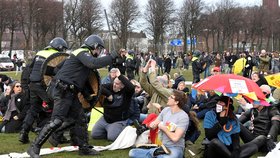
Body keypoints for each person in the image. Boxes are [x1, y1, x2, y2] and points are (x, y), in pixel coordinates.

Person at [27, 34, 119, 157]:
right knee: (56, 120)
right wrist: (111, 57)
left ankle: (84, 148)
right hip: (63, 90)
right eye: (99, 49)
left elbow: (57, 68)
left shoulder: (76, 56)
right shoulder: (81, 52)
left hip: (70, 91)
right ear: (94, 46)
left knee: (80, 119)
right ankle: (35, 147)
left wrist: (85, 92)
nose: (99, 52)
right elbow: (94, 63)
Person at [19, 37, 68, 144]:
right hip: (43, 85)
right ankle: (57, 135)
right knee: (57, 109)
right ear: (59, 47)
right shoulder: (57, 56)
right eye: (63, 49)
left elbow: (29, 68)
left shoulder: (40, 53)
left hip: (32, 84)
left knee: (33, 109)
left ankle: (23, 133)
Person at [129, 90, 189, 158]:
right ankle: (155, 152)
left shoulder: (183, 117)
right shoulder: (166, 110)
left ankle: (154, 153)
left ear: (176, 102)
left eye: (171, 97)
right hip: (163, 146)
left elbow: (175, 138)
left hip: (175, 148)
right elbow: (156, 123)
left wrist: (163, 128)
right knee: (132, 153)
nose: (168, 98)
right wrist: (152, 125)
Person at [91, 68, 135, 141]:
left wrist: (120, 76)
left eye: (117, 84)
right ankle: (109, 130)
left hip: (118, 121)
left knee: (112, 137)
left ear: (123, 86)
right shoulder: (110, 86)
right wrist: (108, 94)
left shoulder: (127, 92)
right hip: (105, 119)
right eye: (114, 82)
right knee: (95, 135)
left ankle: (122, 129)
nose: (114, 85)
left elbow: (131, 87)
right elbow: (99, 87)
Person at [238, 85, 280, 154]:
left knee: (262, 137)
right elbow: (238, 122)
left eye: (255, 99)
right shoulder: (252, 110)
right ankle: (234, 147)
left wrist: (270, 137)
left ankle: (241, 151)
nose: (252, 101)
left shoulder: (272, 109)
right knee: (236, 124)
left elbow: (275, 125)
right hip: (252, 139)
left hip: (266, 142)